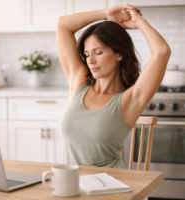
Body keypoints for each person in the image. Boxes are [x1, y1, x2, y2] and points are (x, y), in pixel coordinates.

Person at [57, 5, 171, 169]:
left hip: (110, 186)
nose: (90, 61)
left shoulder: (129, 100)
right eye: (87, 54)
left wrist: (138, 22)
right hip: (72, 186)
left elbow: (162, 51)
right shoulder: (78, 82)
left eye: (98, 52)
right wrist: (105, 14)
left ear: (119, 54)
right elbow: (63, 25)